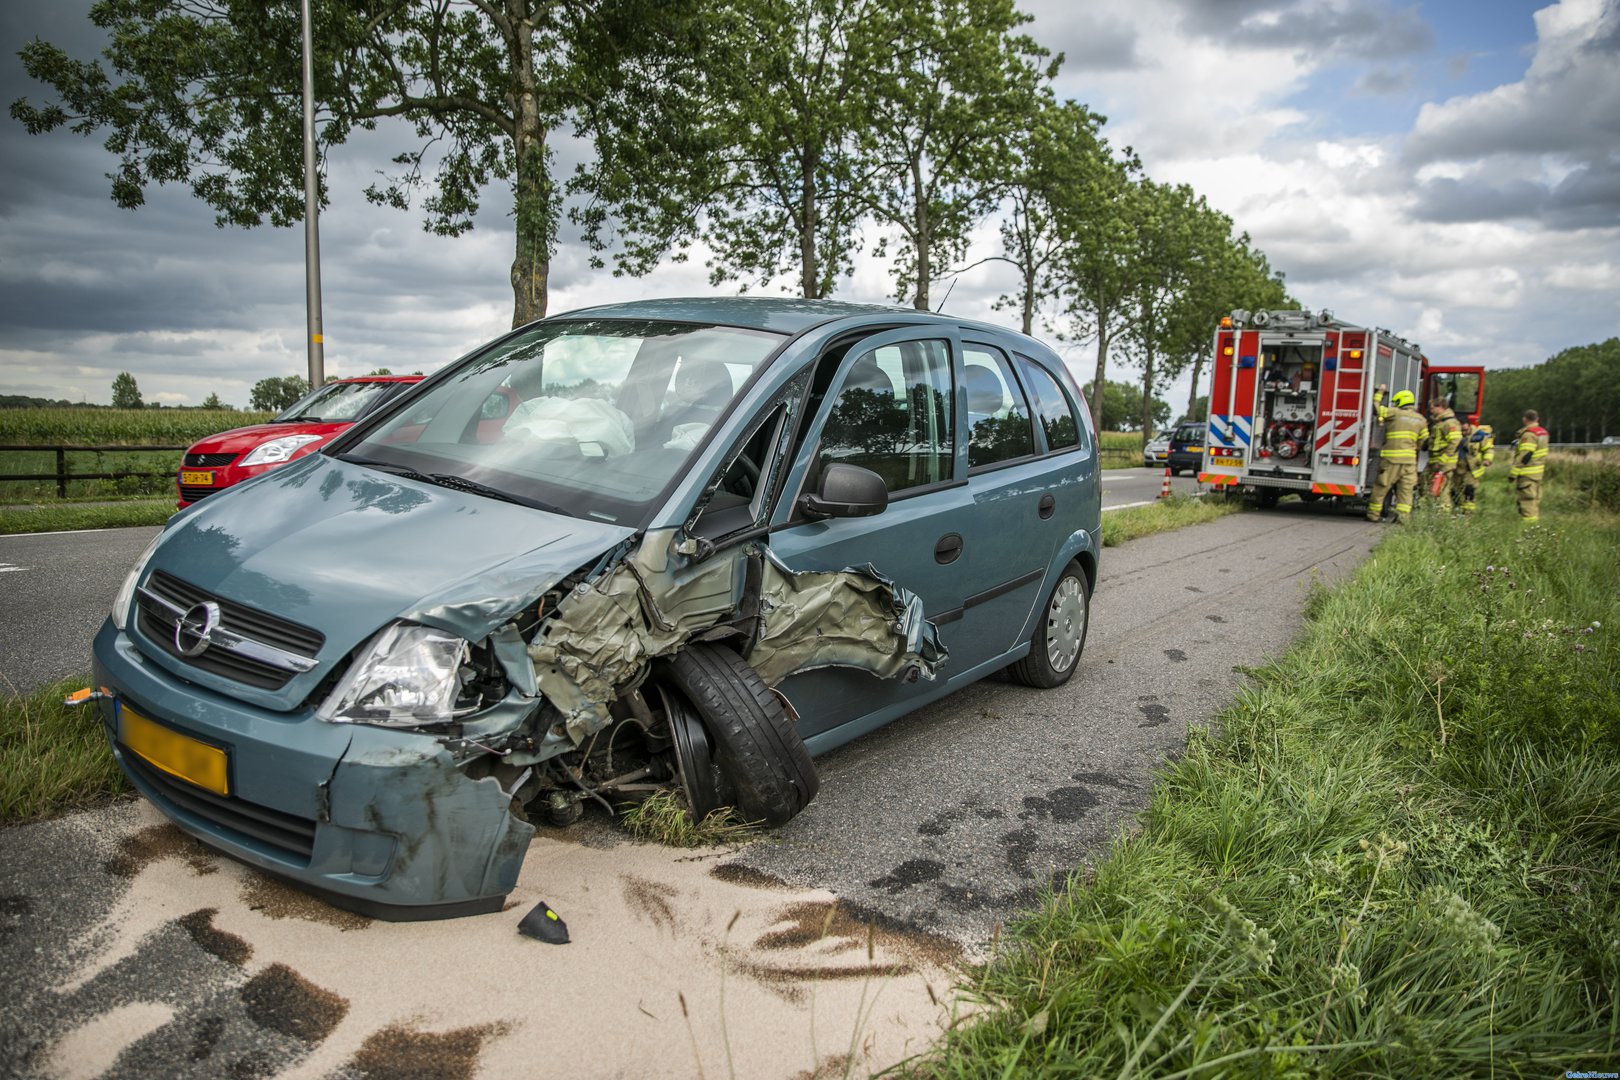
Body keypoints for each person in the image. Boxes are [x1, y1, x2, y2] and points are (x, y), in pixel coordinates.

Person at [1366, 384, 1427, 524]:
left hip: (1391, 460)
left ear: (1400, 401)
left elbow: (1376, 408)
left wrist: (1379, 392)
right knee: (1405, 492)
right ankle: (1403, 519)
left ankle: (1373, 515)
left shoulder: (1395, 413)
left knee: (1381, 487)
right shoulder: (1421, 420)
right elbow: (1423, 441)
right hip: (1409, 463)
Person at [1510, 409, 1549, 523]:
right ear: (1537, 419)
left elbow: (1524, 456)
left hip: (1527, 473)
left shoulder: (1529, 434)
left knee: (1527, 500)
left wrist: (1513, 474)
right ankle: (1533, 522)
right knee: (1535, 499)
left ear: (1524, 419)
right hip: (1538, 472)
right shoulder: (1543, 433)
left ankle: (1528, 527)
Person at [1425, 398, 1463, 511]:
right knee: (1430, 488)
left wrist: (1442, 460)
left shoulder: (1450, 423)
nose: (1430, 411)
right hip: (1435, 462)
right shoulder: (1440, 422)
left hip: (1444, 464)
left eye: (1432, 408)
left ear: (1440, 407)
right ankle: (1433, 513)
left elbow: (1455, 443)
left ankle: (1443, 517)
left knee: (1442, 491)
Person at [1458, 414, 1494, 513]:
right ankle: (1457, 513)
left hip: (1471, 469)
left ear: (1469, 426)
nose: (1463, 433)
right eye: (1461, 431)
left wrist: (1487, 460)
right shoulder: (1455, 435)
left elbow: (1488, 449)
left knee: (1469, 491)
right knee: (1455, 492)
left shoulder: (1479, 435)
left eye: (1465, 430)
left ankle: (1467, 515)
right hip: (1457, 469)